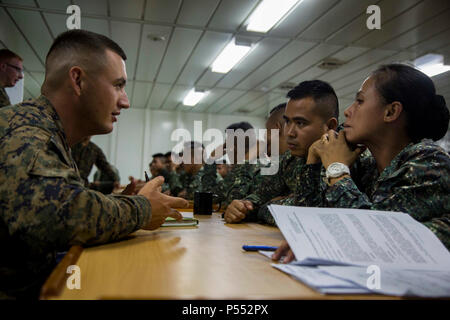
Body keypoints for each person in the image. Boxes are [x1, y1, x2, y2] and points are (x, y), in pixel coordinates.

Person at [0, 30, 187, 299]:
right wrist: (142, 209)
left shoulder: (49, 132)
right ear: (77, 80)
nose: (125, 101)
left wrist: (121, 202)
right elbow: (55, 216)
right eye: (118, 85)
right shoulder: (28, 131)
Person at [274, 64, 450, 262]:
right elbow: (309, 220)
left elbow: (373, 237)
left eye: (359, 101)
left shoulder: (429, 162)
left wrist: (337, 171)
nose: (348, 111)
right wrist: (313, 160)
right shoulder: (368, 167)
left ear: (391, 112)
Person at [224, 81, 339, 224]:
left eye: (300, 123)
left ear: (330, 126)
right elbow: (257, 198)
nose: (289, 132)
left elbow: (307, 216)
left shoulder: (345, 159)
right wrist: (240, 207)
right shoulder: (290, 160)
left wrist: (268, 207)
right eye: (288, 122)